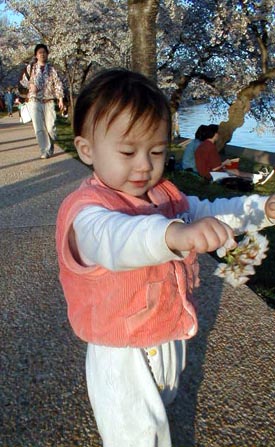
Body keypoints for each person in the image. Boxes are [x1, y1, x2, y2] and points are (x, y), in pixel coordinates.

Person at [55, 68, 275, 447]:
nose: (144, 165)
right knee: (134, 436)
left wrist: (262, 209)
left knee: (163, 402)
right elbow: (118, 239)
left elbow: (210, 211)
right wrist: (172, 233)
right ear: (86, 149)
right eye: (128, 151)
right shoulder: (87, 213)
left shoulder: (164, 196)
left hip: (164, 332)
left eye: (156, 151)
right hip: (121, 351)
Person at [19, 43, 64, 159]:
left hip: (48, 101)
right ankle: (45, 150)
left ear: (47, 54)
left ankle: (51, 143)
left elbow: (58, 83)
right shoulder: (30, 68)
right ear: (36, 55)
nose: (42, 54)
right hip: (34, 101)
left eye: (44, 52)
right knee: (39, 128)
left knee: (51, 128)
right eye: (40, 52)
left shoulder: (52, 69)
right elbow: (22, 82)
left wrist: (60, 99)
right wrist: (30, 85)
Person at [195, 124, 274, 185]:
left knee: (232, 169)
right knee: (233, 171)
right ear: (215, 134)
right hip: (211, 175)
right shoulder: (211, 147)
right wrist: (225, 163)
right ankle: (258, 177)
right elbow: (215, 168)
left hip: (203, 172)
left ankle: (257, 177)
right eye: (218, 134)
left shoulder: (203, 145)